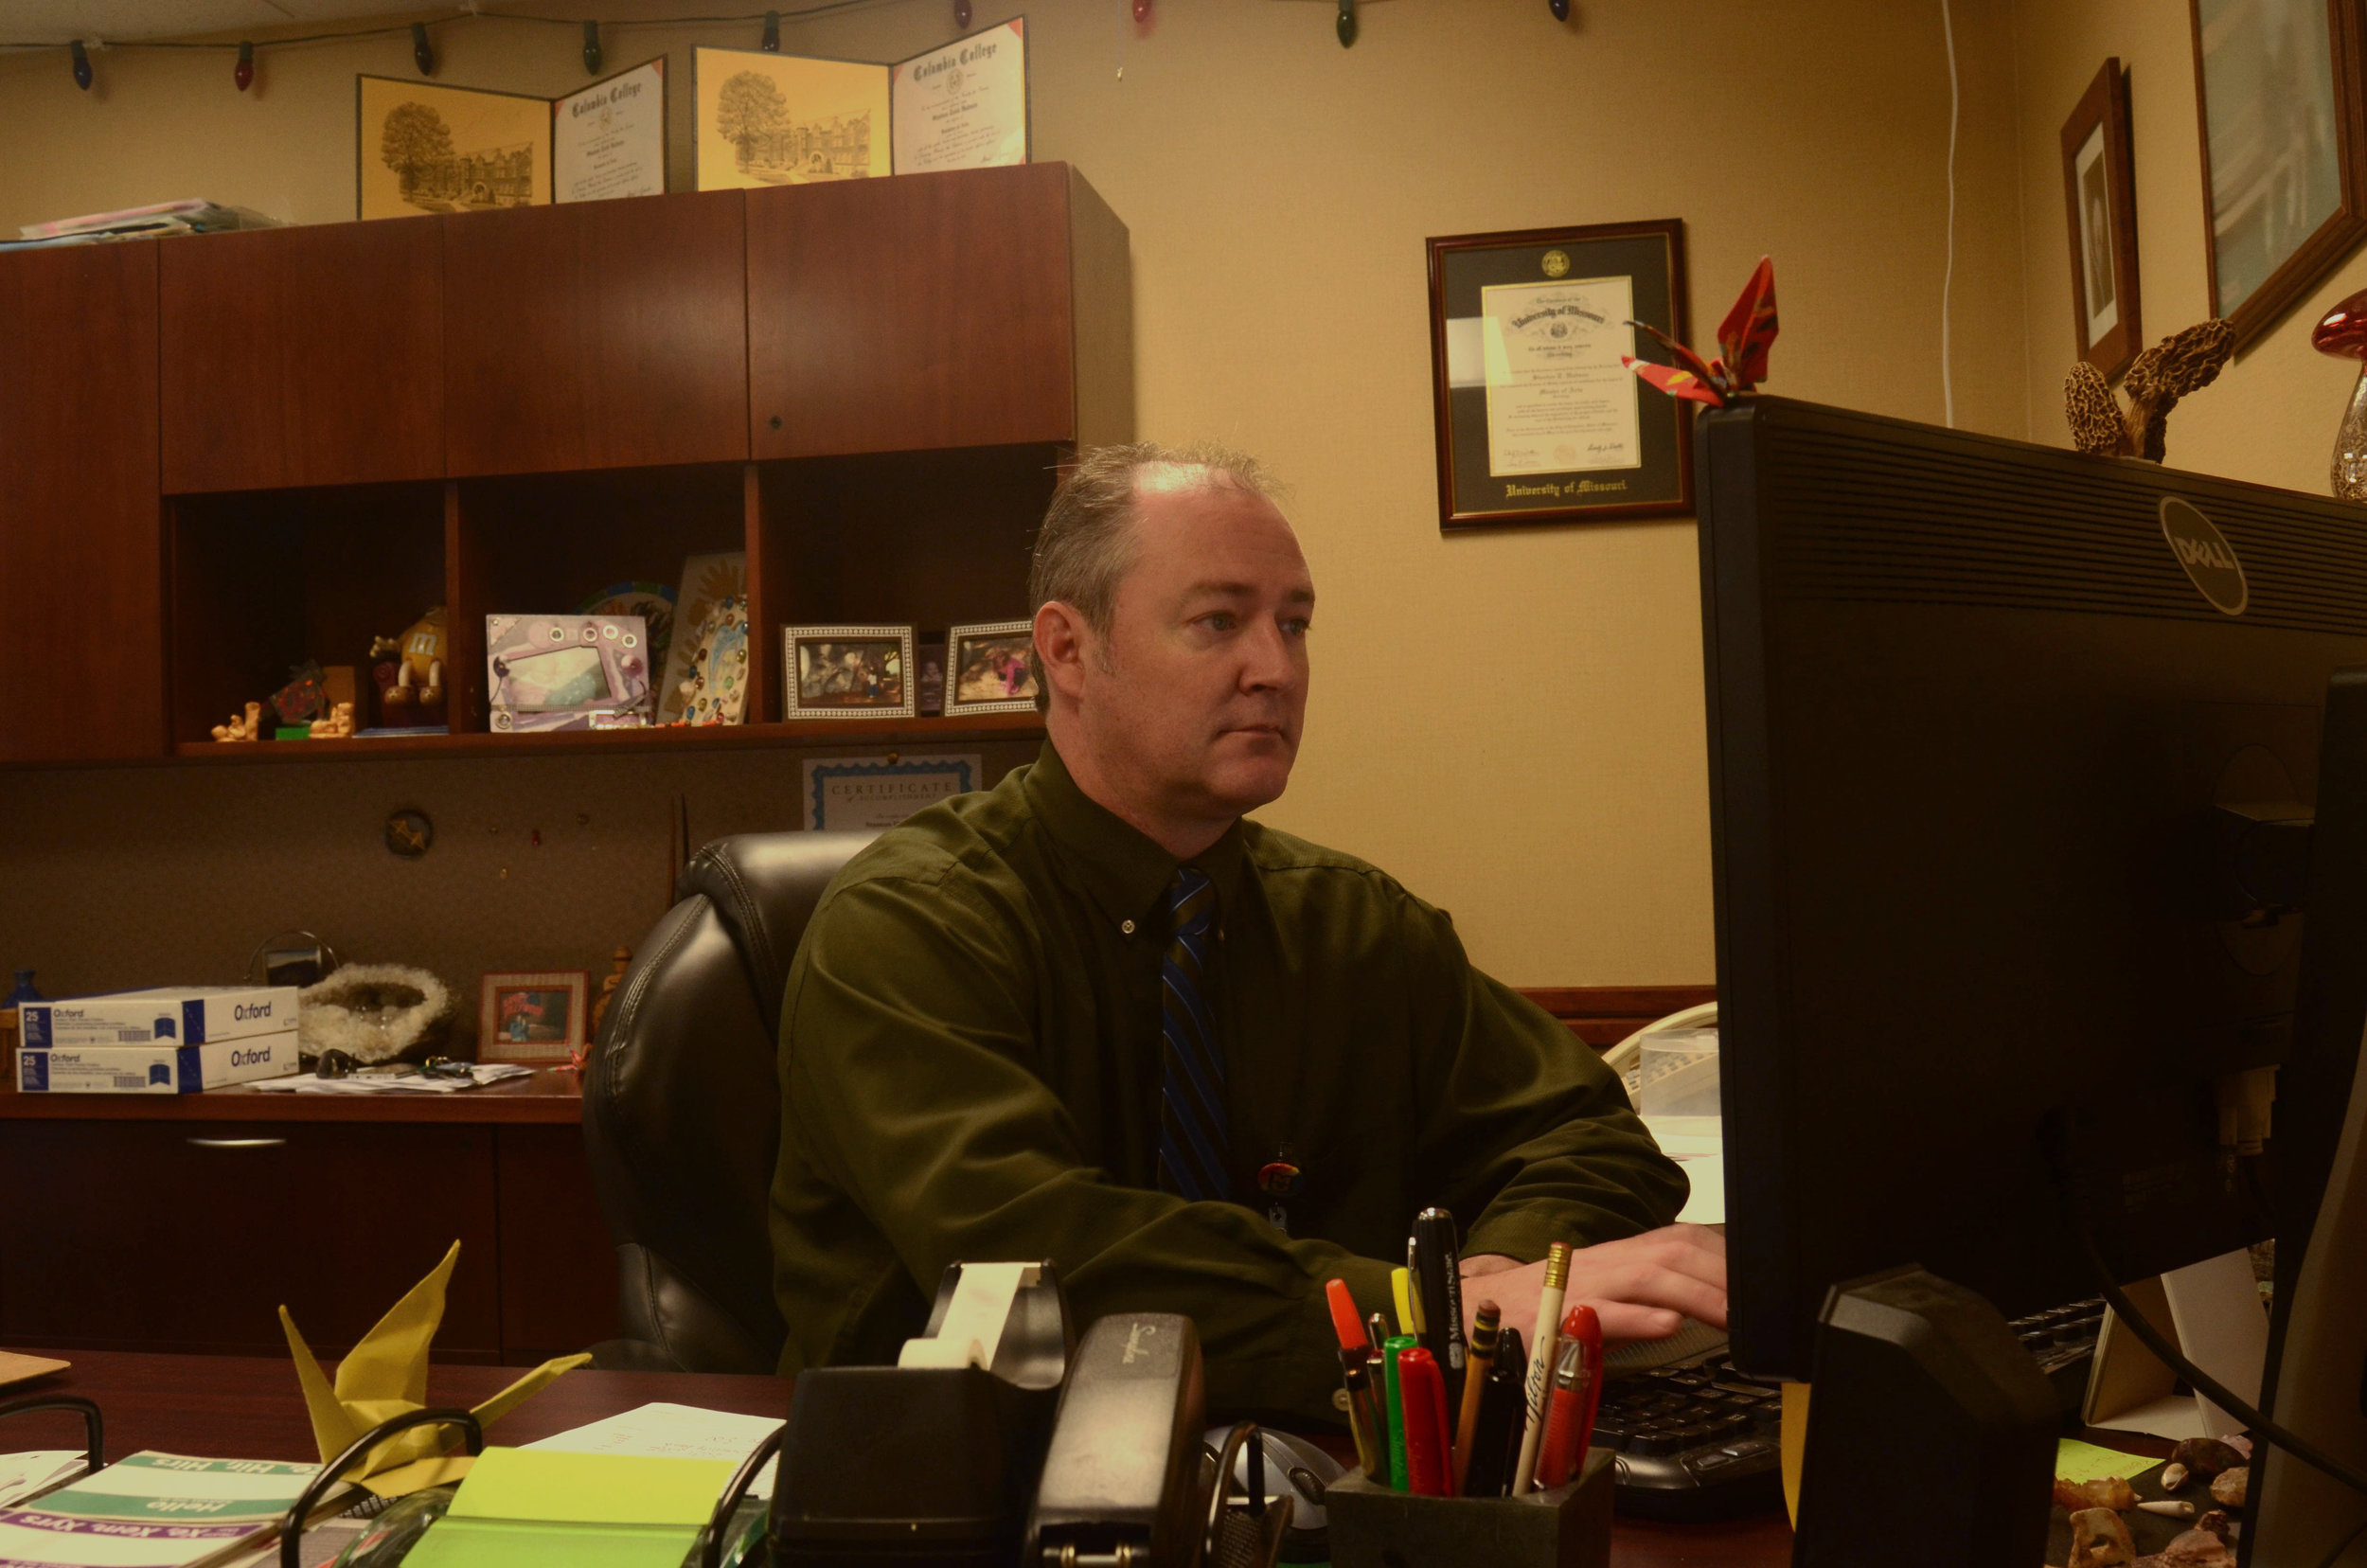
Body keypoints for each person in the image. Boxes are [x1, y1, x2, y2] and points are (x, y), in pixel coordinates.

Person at [768, 442, 1723, 1421]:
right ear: (1066, 649)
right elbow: (1040, 1260)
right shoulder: (909, 925)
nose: (1275, 669)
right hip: (956, 1491)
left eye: (1294, 625)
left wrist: (1496, 1278)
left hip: (1331, 1470)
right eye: (1217, 621)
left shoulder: (1353, 924)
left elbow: (1588, 1137)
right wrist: (1427, 1313)